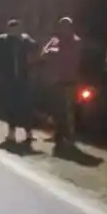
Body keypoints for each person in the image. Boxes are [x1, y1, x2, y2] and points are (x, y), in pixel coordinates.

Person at [0, 18, 37, 144]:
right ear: (8, 30)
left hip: (23, 78)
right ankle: (11, 133)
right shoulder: (1, 41)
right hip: (9, 78)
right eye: (12, 30)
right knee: (10, 106)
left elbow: (35, 47)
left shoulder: (25, 40)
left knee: (26, 107)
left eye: (17, 29)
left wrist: (27, 40)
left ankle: (29, 133)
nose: (15, 32)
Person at [41, 16, 82, 150]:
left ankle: (70, 138)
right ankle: (58, 136)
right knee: (56, 110)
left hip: (68, 80)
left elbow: (66, 55)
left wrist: (52, 51)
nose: (63, 29)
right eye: (61, 26)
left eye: (65, 26)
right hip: (55, 79)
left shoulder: (75, 41)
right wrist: (49, 50)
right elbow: (44, 53)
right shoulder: (56, 40)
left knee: (67, 111)